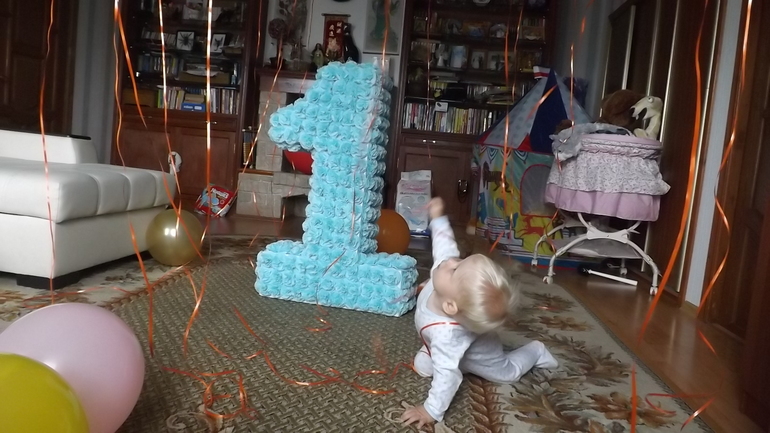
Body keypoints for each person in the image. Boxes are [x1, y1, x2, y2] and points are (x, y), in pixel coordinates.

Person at [401, 197, 558, 429]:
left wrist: (430, 410)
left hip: (483, 355)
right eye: (460, 261)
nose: (451, 261)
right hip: (441, 344)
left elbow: (447, 376)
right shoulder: (446, 273)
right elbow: (445, 245)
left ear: (450, 306)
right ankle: (449, 356)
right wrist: (437, 217)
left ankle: (536, 351)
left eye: (455, 268)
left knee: (508, 374)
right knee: (423, 366)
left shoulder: (446, 334)